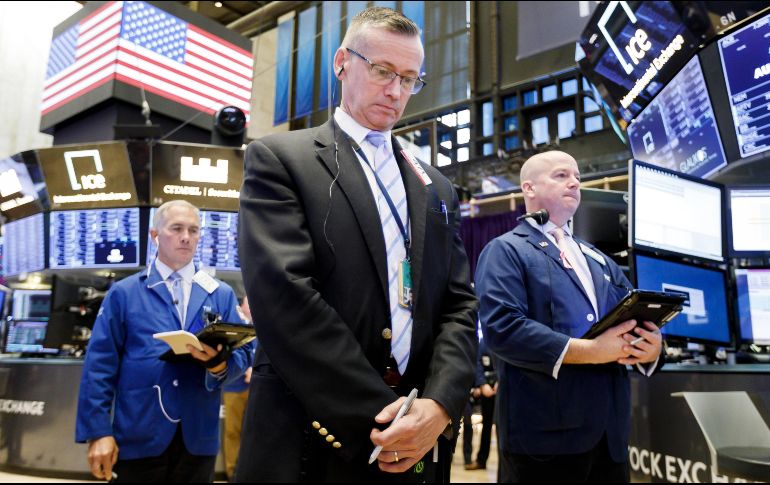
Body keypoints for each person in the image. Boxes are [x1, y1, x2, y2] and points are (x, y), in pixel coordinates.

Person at [235, 6, 478, 482]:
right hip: (311, 435)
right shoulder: (282, 159)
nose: (396, 91)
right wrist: (386, 417)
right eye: (383, 71)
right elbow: (284, 298)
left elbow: (459, 305)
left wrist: (441, 406)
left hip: (418, 439)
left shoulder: (435, 185)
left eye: (410, 79)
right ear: (342, 62)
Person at [475, 151, 662, 482]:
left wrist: (651, 348)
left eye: (577, 176)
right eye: (562, 175)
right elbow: (502, 329)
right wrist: (589, 351)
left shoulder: (600, 260)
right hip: (544, 441)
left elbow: (633, 315)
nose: (575, 182)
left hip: (610, 439)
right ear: (529, 189)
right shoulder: (505, 250)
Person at [75, 200, 255, 483]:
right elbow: (99, 366)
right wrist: (98, 432)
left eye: (194, 230)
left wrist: (218, 364)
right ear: (155, 235)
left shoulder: (221, 294)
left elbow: (244, 355)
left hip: (198, 438)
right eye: (177, 228)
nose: (186, 236)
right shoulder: (125, 293)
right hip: (139, 433)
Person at [222, 296, 254, 481]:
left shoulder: (263, 325)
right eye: (248, 303)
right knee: (232, 432)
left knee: (254, 433)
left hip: (257, 390)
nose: (251, 307)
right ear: (241, 306)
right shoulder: (235, 326)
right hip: (235, 387)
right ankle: (232, 473)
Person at [465, 335, 496, 471]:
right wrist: (482, 384)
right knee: (487, 426)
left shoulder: (506, 336)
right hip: (487, 389)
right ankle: (481, 460)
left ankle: (507, 466)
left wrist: (501, 381)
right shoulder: (484, 341)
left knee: (504, 427)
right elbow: (477, 363)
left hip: (505, 386)